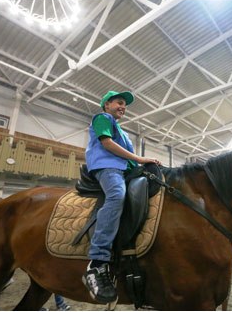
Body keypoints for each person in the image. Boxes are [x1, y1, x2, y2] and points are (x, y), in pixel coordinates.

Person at [82, 90, 161, 304]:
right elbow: (107, 144)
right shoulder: (102, 119)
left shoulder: (122, 131)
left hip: (123, 170)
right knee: (117, 195)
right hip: (108, 168)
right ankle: (97, 262)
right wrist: (139, 158)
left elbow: (131, 161)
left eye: (124, 105)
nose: (122, 107)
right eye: (119, 102)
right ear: (106, 105)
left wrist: (144, 166)